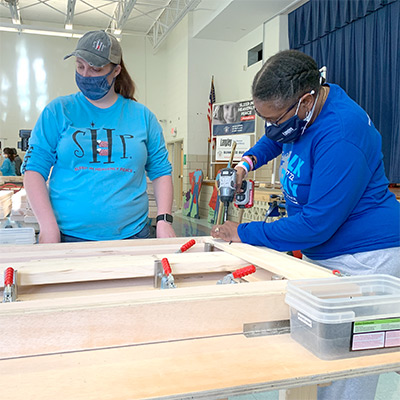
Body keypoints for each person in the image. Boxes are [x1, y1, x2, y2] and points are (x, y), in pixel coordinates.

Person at [211, 50, 400, 400]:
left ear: (307, 100)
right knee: (311, 364)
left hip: (366, 258)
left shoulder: (342, 132)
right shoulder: (304, 112)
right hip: (327, 255)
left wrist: (244, 232)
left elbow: (316, 226)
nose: (271, 126)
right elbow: (276, 136)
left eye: (275, 117)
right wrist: (245, 165)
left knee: (345, 372)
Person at [22, 30, 176, 243]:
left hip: (132, 236)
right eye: (80, 66)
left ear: (116, 70)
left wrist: (164, 219)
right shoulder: (58, 111)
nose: (85, 75)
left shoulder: (142, 117)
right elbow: (33, 170)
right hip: (68, 237)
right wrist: (48, 227)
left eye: (96, 69)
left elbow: (160, 171)